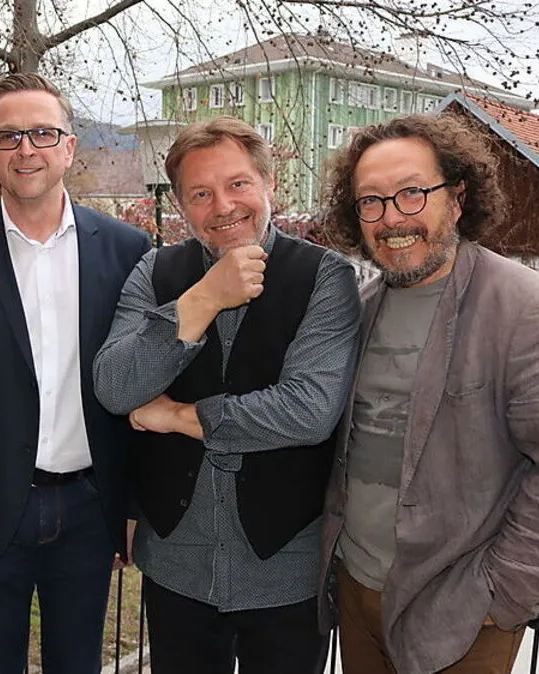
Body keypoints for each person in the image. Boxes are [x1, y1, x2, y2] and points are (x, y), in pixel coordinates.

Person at [317, 113, 539, 674]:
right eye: (371, 201)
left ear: (459, 197)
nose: (391, 217)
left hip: (460, 613)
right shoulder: (361, 308)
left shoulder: (530, 309)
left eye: (412, 193)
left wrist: (501, 596)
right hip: (356, 592)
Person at [91, 117, 360, 673]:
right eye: (201, 194)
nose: (223, 206)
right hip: (177, 569)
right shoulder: (155, 272)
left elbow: (308, 410)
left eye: (238, 184)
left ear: (269, 183)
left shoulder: (325, 277)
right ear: (182, 206)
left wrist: (176, 416)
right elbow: (115, 387)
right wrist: (203, 300)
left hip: (286, 570)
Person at [0, 73, 152, 673]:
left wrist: (130, 507)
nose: (26, 149)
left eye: (43, 133)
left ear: (69, 147)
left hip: (89, 509)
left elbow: (141, 383)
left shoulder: (127, 251)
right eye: (8, 136)